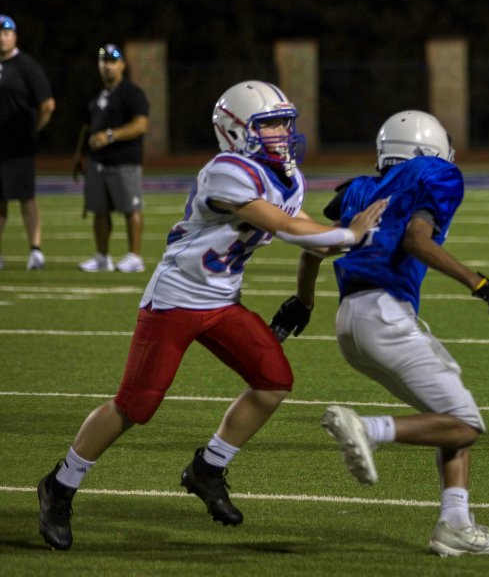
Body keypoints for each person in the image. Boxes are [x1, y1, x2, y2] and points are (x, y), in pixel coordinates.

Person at [36, 80, 388, 551]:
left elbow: (307, 231)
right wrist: (349, 235)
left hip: (222, 302)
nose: (283, 133)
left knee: (273, 380)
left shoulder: (285, 176)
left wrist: (354, 238)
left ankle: (208, 468)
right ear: (237, 130)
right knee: (135, 406)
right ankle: (60, 484)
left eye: (285, 123)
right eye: (270, 125)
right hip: (176, 300)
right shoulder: (226, 171)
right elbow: (286, 228)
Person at [278, 109, 489, 557]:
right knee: (464, 424)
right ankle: (368, 429)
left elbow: (315, 249)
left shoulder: (360, 189)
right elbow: (416, 238)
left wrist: (303, 302)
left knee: (450, 414)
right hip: (385, 316)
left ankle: (455, 524)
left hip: (349, 321)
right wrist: (480, 283)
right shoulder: (435, 174)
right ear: (428, 149)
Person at [73, 43, 151, 273]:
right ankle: (102, 257)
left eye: (112, 61)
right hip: (97, 162)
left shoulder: (132, 93)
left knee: (131, 209)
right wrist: (79, 155)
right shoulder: (95, 94)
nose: (108, 66)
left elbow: (140, 125)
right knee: (99, 210)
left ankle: (135, 257)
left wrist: (110, 136)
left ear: (122, 65)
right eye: (104, 61)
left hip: (124, 161)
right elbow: (86, 127)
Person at [0, 14, 55, 270]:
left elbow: (47, 105)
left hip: (19, 147)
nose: (2, 38)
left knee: (26, 197)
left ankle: (35, 250)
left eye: (6, 33)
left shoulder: (27, 66)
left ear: (15, 36)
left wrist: (32, 130)